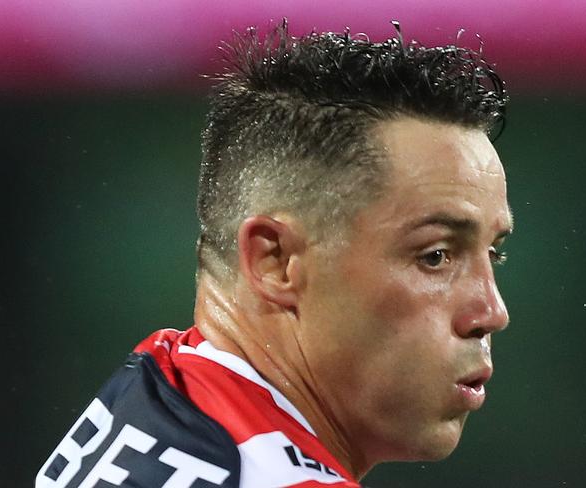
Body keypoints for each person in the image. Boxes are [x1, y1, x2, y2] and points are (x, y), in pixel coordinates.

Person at [36, 20, 513, 488]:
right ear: (275, 261)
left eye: (493, 254)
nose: (491, 313)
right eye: (435, 256)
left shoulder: (160, 389)